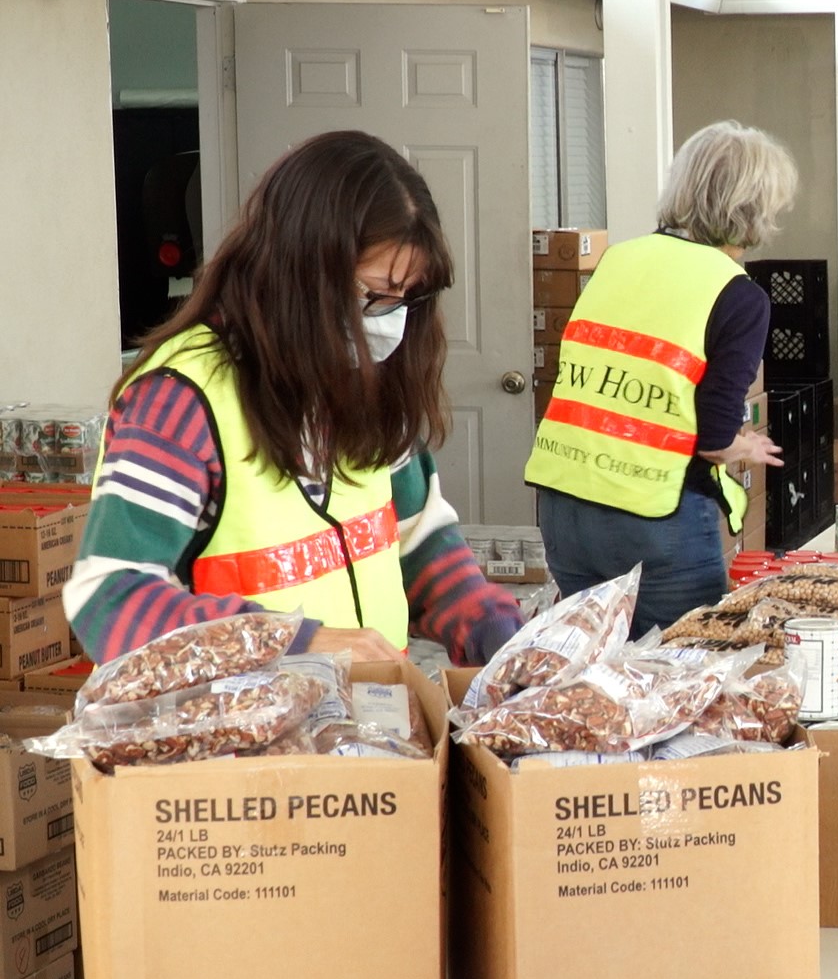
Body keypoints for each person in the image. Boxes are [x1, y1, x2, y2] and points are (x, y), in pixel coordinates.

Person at [69, 130, 523, 666]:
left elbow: (416, 541)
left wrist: (489, 624)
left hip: (364, 732)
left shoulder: (366, 380)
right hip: (240, 737)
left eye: (407, 298)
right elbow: (110, 598)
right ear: (300, 274)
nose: (389, 319)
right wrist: (296, 642)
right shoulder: (181, 402)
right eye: (370, 295)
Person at [526, 120, 793, 636]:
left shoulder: (617, 260)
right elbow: (713, 438)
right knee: (680, 677)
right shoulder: (737, 295)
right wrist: (742, 447)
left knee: (593, 675)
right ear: (754, 210)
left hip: (565, 505)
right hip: (650, 516)